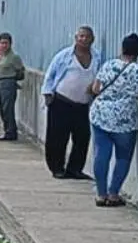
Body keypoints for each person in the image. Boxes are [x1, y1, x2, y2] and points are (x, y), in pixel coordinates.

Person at [89, 33, 138, 207]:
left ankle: (101, 194)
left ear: (122, 48)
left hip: (101, 115)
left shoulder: (108, 65)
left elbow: (95, 88)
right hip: (125, 120)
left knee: (101, 153)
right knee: (123, 157)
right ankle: (113, 194)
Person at [41, 26, 102, 180]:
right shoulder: (64, 56)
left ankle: (75, 169)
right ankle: (57, 168)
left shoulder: (97, 57)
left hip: (82, 105)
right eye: (81, 36)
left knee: (82, 137)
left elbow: (100, 76)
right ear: (76, 38)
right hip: (61, 102)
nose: (84, 39)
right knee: (57, 137)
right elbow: (50, 75)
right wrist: (48, 94)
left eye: (87, 36)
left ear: (92, 39)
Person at [0, 33, 25, 141]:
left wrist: (13, 79)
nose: (4, 45)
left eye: (6, 43)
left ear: (10, 44)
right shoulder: (0, 55)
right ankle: (7, 129)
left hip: (8, 81)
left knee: (8, 108)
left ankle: (10, 131)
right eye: (2, 43)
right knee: (2, 108)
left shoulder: (14, 57)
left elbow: (21, 71)